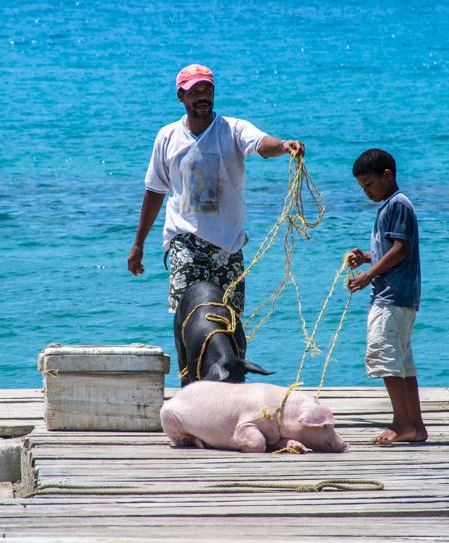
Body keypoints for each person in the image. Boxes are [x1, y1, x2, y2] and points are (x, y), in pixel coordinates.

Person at [127, 64, 304, 315]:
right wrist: (138, 244)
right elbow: (155, 192)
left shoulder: (233, 129)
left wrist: (284, 145)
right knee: (188, 322)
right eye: (194, 91)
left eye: (207, 90)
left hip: (228, 246)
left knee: (229, 326)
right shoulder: (167, 137)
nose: (203, 97)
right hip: (185, 244)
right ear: (180, 96)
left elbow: (261, 145)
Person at [347, 148, 426, 444]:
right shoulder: (392, 206)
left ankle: (401, 423)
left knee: (386, 357)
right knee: (403, 362)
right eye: (362, 187)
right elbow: (391, 250)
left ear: (387, 175)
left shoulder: (398, 205)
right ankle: (415, 426)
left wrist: (369, 274)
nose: (366, 191)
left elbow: (400, 250)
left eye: (369, 184)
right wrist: (367, 258)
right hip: (400, 296)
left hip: (391, 296)